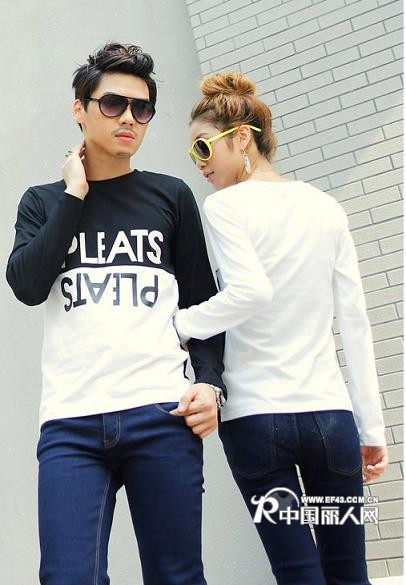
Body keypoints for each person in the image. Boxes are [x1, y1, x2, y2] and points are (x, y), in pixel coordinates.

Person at [6, 42, 226, 585]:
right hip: (72, 424)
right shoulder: (42, 202)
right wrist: (73, 196)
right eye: (112, 104)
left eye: (141, 108)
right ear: (80, 109)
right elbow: (27, 286)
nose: (128, 117)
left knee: (177, 576)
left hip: (162, 415)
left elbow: (201, 301)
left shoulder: (170, 197)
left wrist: (210, 383)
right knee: (67, 577)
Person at [173, 71, 388, 585]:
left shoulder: (224, 206)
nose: (199, 163)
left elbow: (251, 292)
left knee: (297, 572)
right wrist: (371, 429)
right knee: (349, 572)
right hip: (331, 422)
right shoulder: (326, 207)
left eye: (204, 147)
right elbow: (354, 322)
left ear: (242, 138)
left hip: (257, 422)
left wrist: (178, 323)